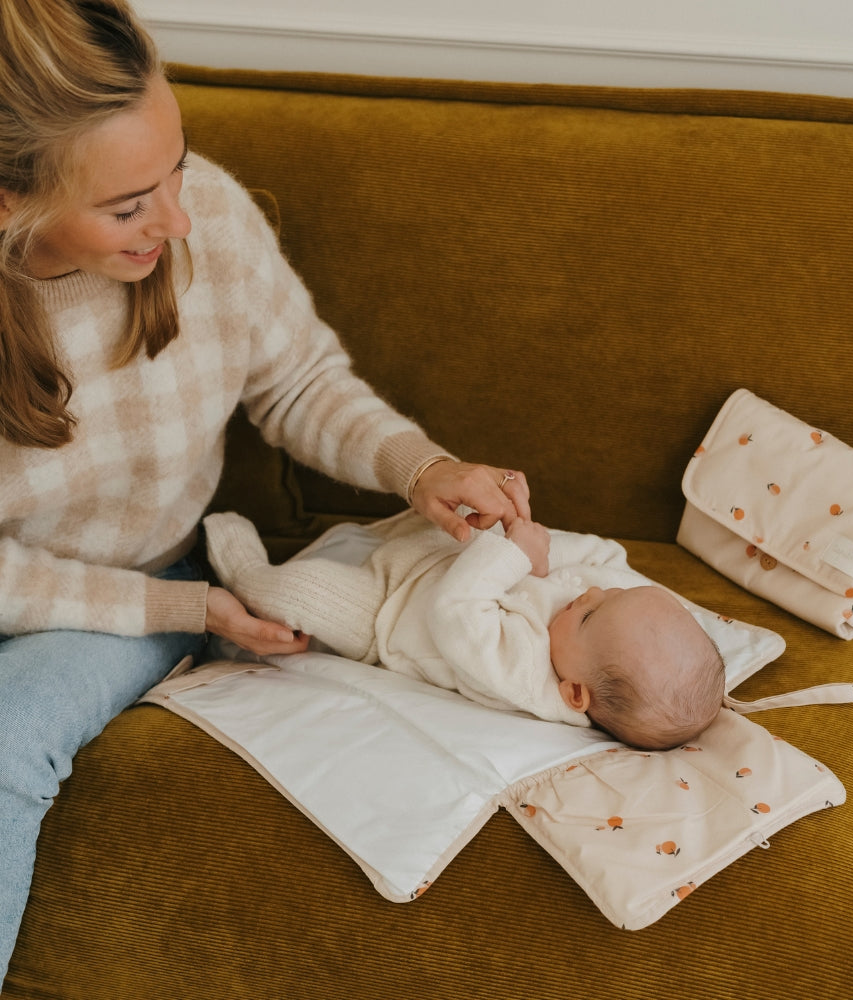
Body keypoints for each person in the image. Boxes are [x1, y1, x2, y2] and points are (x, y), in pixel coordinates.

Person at [0, 0, 530, 982]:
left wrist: (421, 467)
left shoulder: (209, 225)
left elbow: (296, 382)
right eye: (128, 205)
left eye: (177, 166)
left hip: (134, 595)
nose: (178, 218)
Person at [204, 509, 727, 750]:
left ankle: (242, 564)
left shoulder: (527, 675)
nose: (589, 593)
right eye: (615, 595)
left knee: (295, 595)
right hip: (451, 553)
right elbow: (606, 558)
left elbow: (456, 612)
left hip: (387, 609)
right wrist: (536, 544)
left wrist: (516, 555)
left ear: (573, 692)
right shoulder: (614, 612)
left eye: (588, 614)